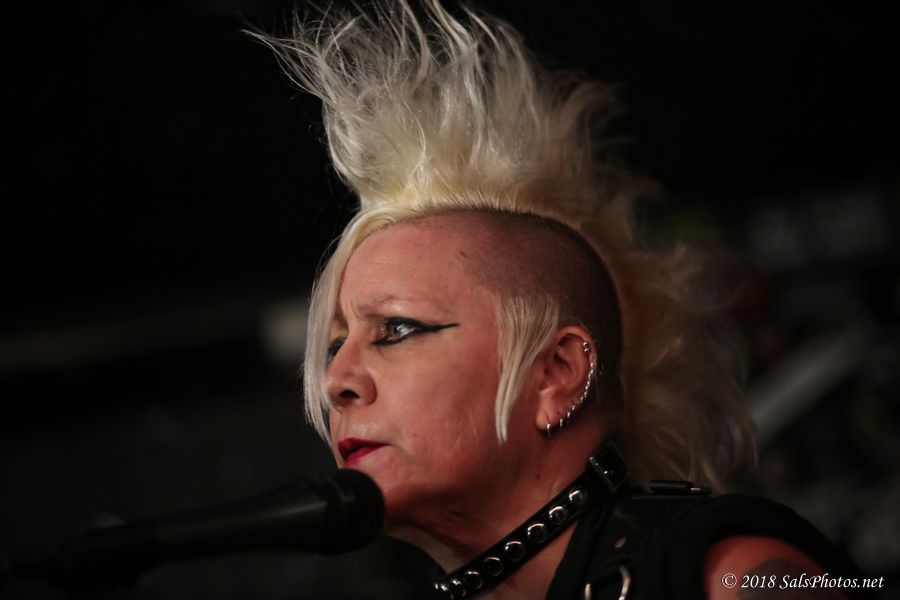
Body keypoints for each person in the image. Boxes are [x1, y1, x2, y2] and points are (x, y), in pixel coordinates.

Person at [253, 1, 867, 598]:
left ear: (557, 373)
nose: (336, 381)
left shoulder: (726, 575)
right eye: (334, 346)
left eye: (397, 329)